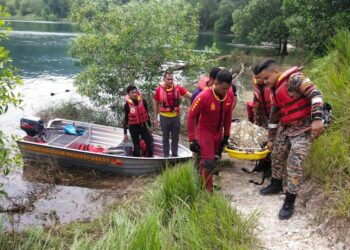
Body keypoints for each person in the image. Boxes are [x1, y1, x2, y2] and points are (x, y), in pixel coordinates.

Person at [257, 60, 324, 220]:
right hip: (287, 129)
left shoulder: (295, 79)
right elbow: (274, 117)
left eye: (266, 78)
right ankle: (276, 184)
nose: (264, 83)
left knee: (295, 162)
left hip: (305, 127)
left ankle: (290, 200)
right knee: (277, 154)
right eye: (262, 80)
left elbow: (316, 94)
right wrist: (271, 138)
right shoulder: (274, 90)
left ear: (275, 72)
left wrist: (317, 119)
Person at [187, 70, 234, 192]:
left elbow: (228, 116)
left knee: (214, 161)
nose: (225, 91)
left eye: (227, 88)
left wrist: (226, 135)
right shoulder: (204, 96)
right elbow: (190, 116)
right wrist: (192, 139)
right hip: (205, 132)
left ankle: (207, 184)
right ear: (216, 83)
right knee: (208, 162)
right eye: (223, 88)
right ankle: (207, 192)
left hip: (218, 133)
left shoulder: (229, 94)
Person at [153, 70, 191, 157]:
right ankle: (166, 156)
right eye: (168, 79)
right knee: (165, 138)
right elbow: (156, 105)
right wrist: (155, 118)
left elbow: (190, 95)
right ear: (164, 79)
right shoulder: (159, 90)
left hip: (175, 118)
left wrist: (201, 95)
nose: (170, 81)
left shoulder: (178, 88)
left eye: (171, 79)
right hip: (164, 117)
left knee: (175, 138)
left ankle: (174, 155)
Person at [123, 85, 153, 157]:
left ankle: (149, 158)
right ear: (128, 94)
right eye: (132, 93)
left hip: (142, 126)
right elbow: (125, 119)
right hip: (133, 127)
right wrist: (125, 133)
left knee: (149, 142)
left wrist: (149, 126)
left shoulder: (143, 102)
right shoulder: (127, 105)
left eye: (135, 92)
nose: (134, 94)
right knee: (137, 146)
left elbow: (146, 115)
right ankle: (136, 159)